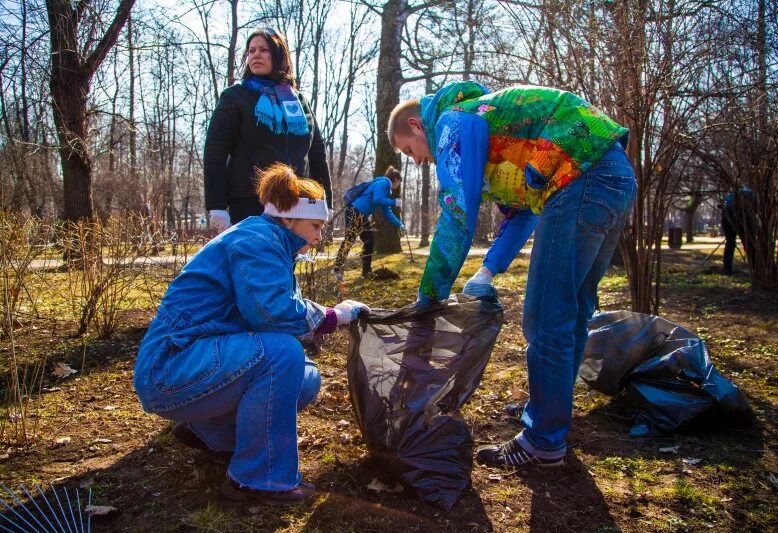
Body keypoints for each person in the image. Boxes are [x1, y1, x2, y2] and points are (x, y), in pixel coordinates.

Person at [388, 81, 637, 467]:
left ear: (419, 126)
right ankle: (548, 408)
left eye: (409, 150)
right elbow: (523, 211)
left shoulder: (455, 121)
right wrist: (487, 272)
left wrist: (430, 297)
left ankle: (543, 440)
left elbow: (457, 213)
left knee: (546, 316)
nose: (417, 161)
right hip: (611, 174)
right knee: (571, 309)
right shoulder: (489, 126)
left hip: (580, 176)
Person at [133, 163, 369, 505]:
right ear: (289, 219)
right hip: (169, 369)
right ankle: (259, 478)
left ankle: (212, 433)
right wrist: (333, 317)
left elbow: (271, 307)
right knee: (283, 354)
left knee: (305, 377)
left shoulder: (267, 241)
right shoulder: (256, 241)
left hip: (189, 364)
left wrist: (326, 318)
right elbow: (271, 313)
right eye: (315, 226)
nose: (319, 237)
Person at [204, 28, 332, 231]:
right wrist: (217, 205)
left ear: (279, 55)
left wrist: (325, 201)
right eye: (251, 50)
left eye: (264, 50)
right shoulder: (235, 98)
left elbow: (317, 154)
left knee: (285, 262)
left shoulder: (298, 102)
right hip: (249, 202)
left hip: (295, 202)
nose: (256, 55)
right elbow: (214, 152)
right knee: (254, 261)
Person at [333, 166, 405, 281]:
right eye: (399, 183)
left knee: (367, 241)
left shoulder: (385, 189)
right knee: (351, 240)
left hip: (359, 214)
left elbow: (387, 212)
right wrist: (393, 202)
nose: (398, 186)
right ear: (395, 179)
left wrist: (400, 224)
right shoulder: (383, 183)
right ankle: (339, 269)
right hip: (355, 211)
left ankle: (365, 271)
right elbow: (377, 199)